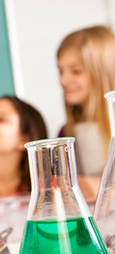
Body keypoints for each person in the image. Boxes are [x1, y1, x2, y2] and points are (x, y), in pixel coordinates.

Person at [57, 25, 115, 203]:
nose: (63, 80)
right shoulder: (65, 134)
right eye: (60, 71)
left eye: (76, 71)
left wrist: (108, 193)